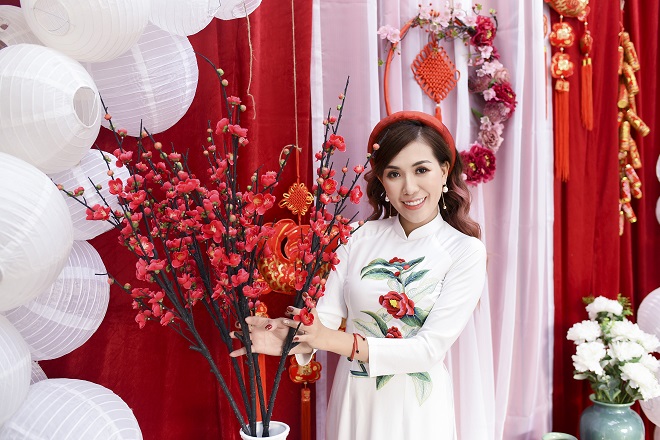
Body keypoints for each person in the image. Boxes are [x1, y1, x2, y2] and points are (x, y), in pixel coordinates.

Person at [232, 111, 487, 439]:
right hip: (355, 400)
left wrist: (329, 339)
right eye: (394, 174)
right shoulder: (357, 236)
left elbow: (428, 350)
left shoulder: (464, 251)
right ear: (382, 181)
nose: (409, 188)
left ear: (444, 170)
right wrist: (286, 336)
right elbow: (324, 319)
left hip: (416, 413)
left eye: (421, 170)